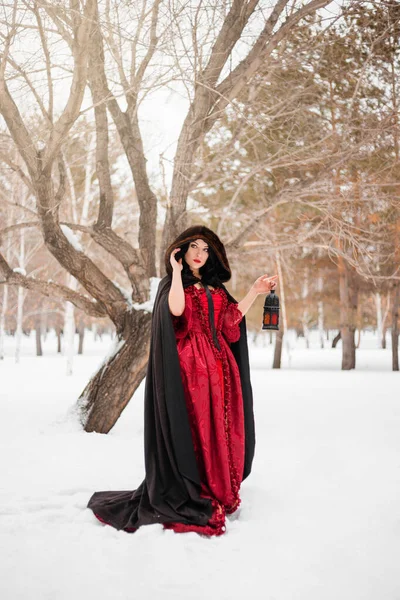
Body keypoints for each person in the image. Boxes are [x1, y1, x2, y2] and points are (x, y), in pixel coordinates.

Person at [87, 225, 277, 536]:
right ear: (183, 251)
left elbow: (230, 324)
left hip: (221, 369)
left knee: (220, 427)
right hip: (191, 369)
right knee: (198, 426)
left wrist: (254, 292)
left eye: (206, 250)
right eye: (195, 248)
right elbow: (176, 311)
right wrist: (176, 272)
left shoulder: (216, 288)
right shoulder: (174, 285)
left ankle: (217, 489)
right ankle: (195, 489)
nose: (200, 254)